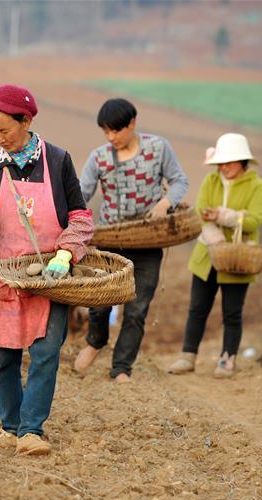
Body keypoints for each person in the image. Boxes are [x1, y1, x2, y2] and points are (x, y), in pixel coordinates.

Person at [0, 84, 94, 456]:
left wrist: (65, 253)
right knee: (6, 359)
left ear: (25, 121)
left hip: (50, 277)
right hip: (5, 276)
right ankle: (10, 428)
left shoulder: (57, 161)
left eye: (4, 131)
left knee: (46, 353)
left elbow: (79, 217)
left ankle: (31, 431)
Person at [72, 98, 189, 382]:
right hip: (111, 239)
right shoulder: (99, 157)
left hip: (148, 241)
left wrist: (164, 204)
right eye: (106, 132)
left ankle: (122, 368)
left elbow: (179, 181)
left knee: (137, 310)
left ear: (132, 123)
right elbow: (81, 194)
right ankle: (96, 340)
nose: (111, 137)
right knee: (100, 301)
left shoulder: (158, 148)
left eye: (116, 131)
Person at [168, 133, 262, 378]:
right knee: (197, 308)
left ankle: (227, 358)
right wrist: (215, 235)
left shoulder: (257, 186)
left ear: (243, 161)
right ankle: (187, 356)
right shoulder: (210, 181)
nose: (224, 167)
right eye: (221, 163)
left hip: (238, 258)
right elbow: (201, 212)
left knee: (232, 312)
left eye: (230, 162)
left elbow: (254, 221)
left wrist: (224, 216)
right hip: (206, 255)